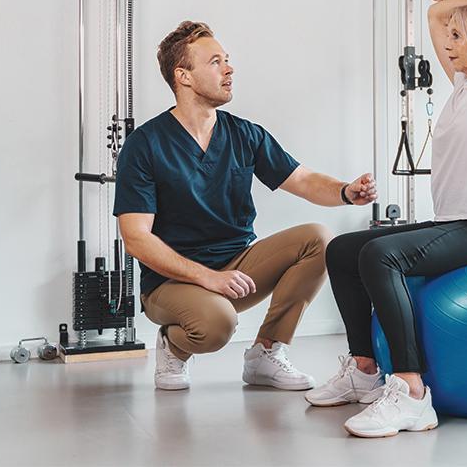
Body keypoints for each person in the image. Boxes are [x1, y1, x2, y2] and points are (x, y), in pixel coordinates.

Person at [305, 0, 467, 438]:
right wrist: (449, 3)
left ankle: (412, 393)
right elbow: (434, 14)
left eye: (459, 36)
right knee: (343, 249)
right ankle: (365, 372)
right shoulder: (461, 86)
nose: (446, 45)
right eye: (448, 38)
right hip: (451, 220)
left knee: (380, 255)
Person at [114, 21, 377, 392]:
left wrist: (346, 192)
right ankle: (172, 345)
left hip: (236, 268)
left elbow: (301, 179)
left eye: (228, 60)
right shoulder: (145, 145)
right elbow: (136, 238)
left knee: (319, 239)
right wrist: (207, 278)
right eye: (215, 61)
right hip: (169, 283)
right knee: (216, 325)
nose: (229, 68)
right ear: (183, 76)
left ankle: (266, 354)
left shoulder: (243, 134)